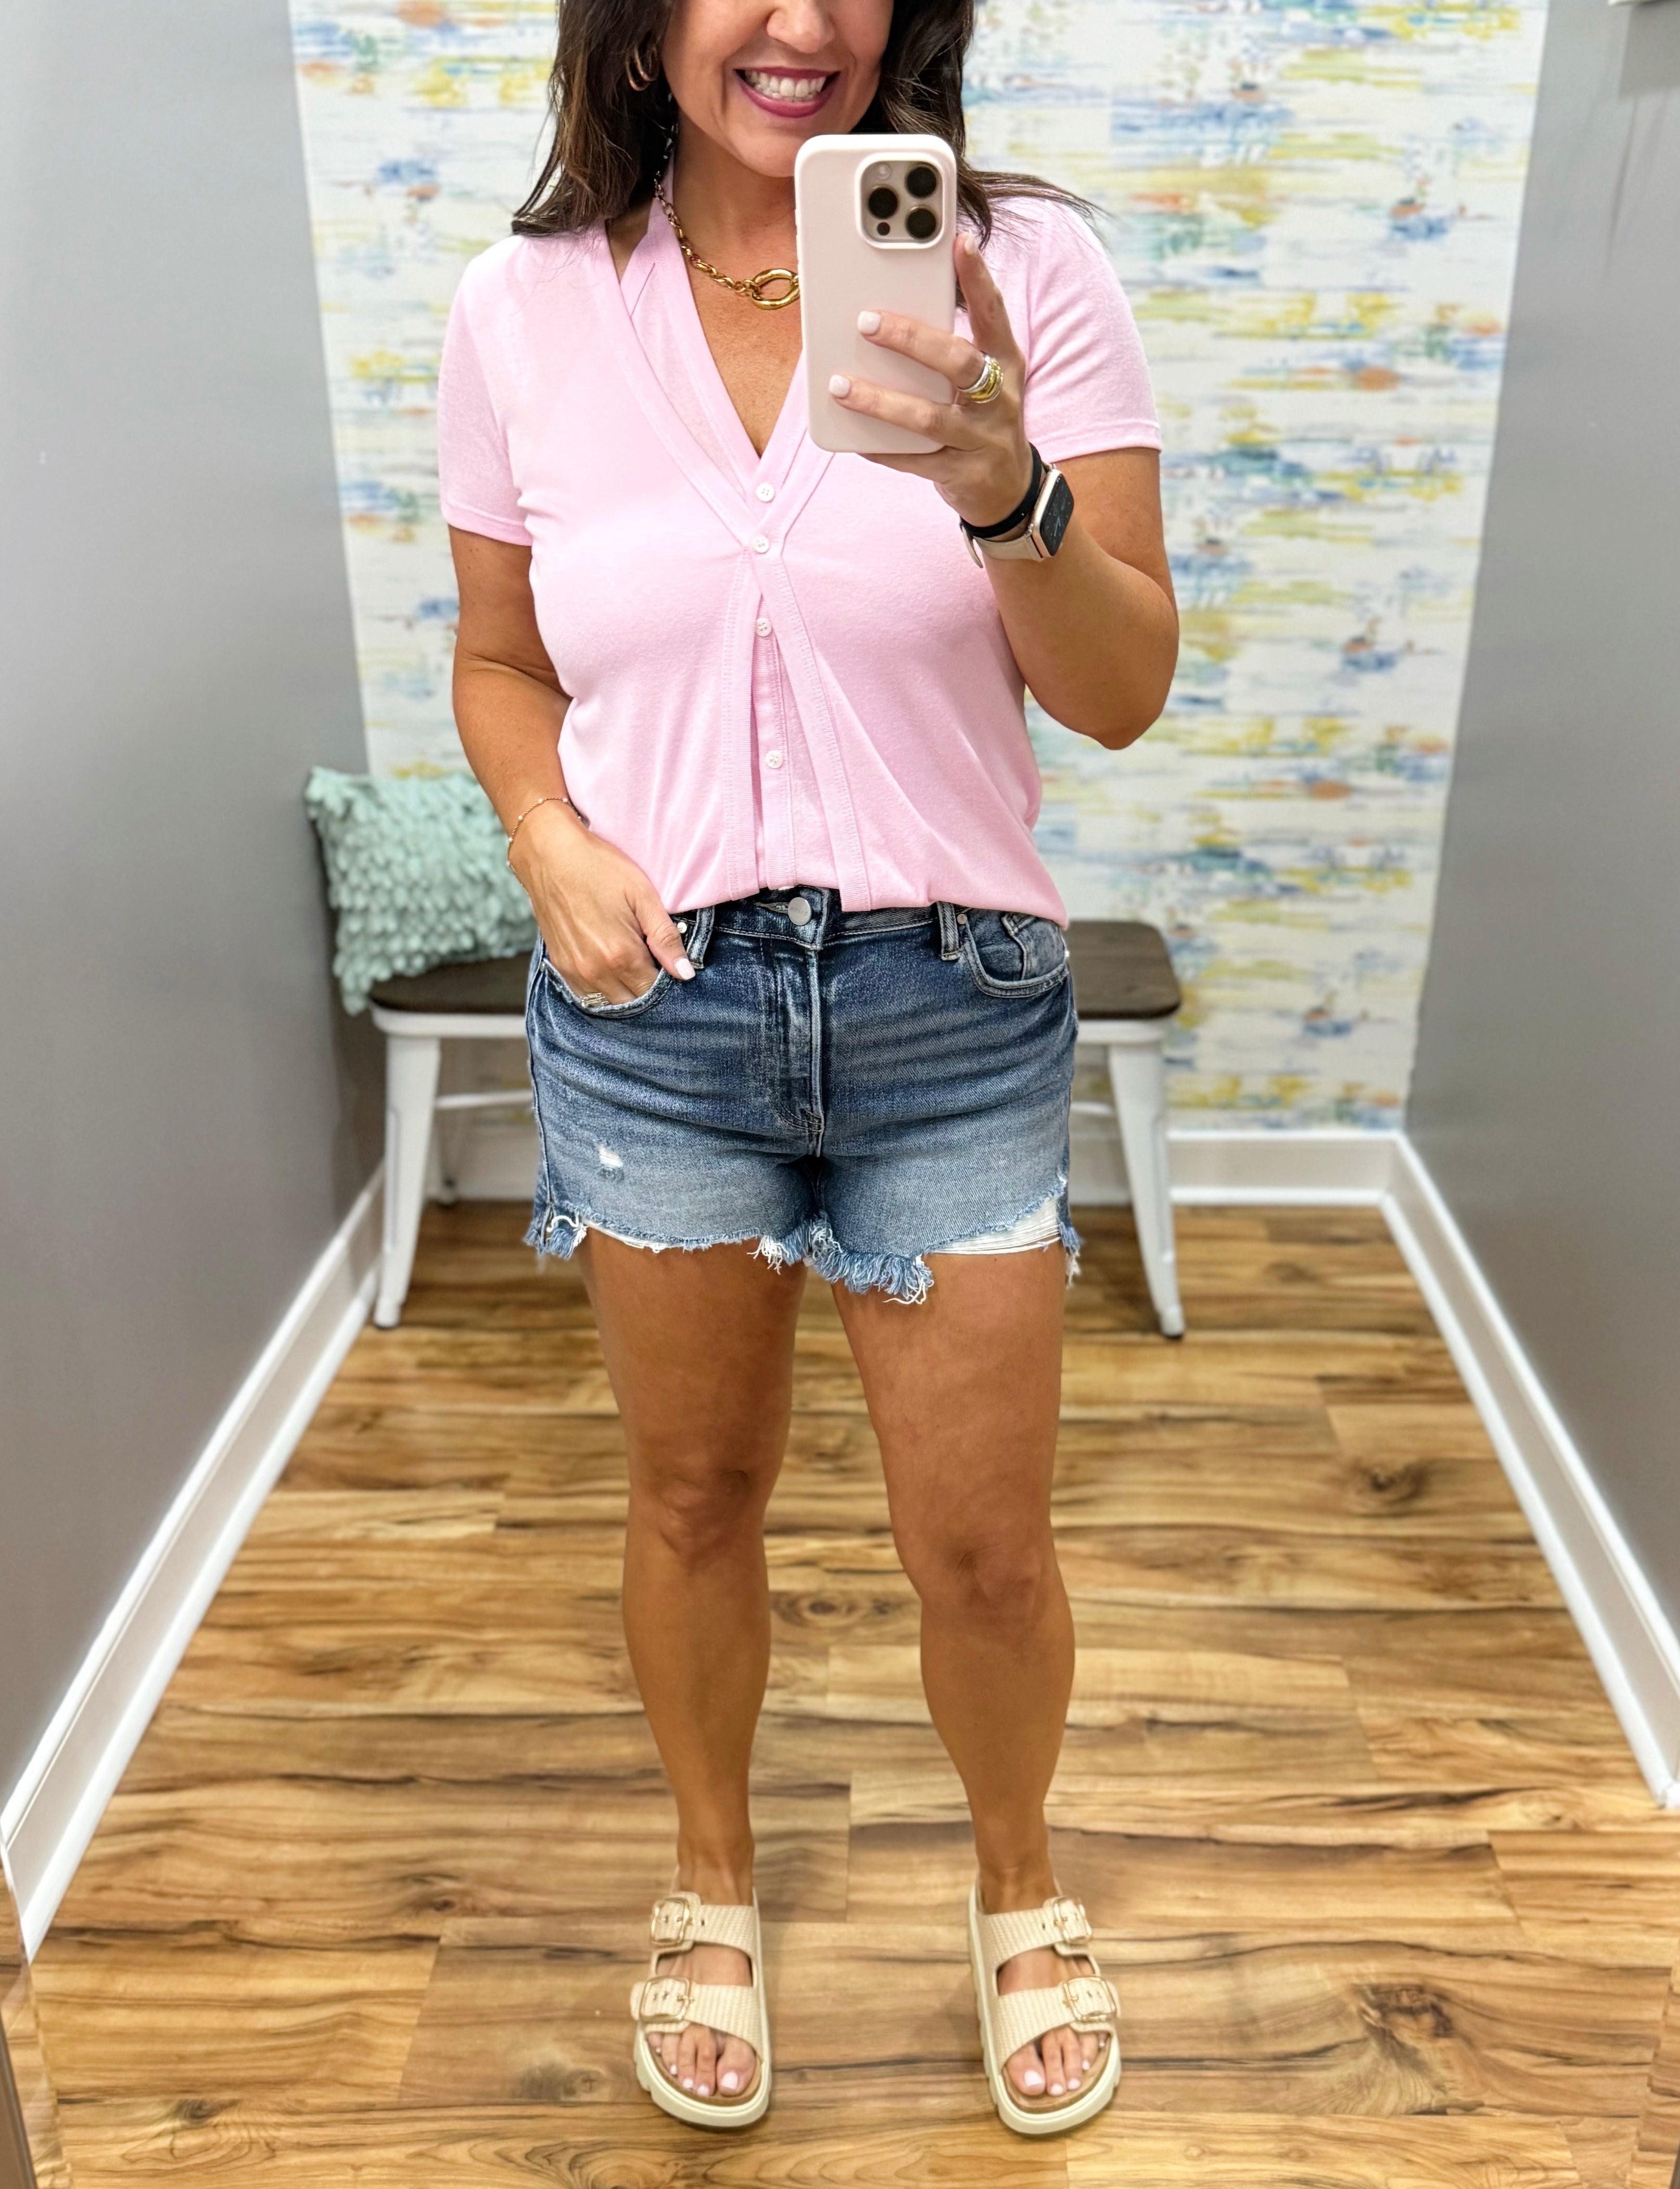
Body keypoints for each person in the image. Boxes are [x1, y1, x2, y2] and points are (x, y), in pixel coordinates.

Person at [437, 0, 1177, 2139]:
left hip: (947, 1004)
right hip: (656, 1014)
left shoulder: (1019, 271)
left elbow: (1117, 688)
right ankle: (708, 1875)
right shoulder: (523, 308)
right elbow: (501, 659)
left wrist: (1004, 487)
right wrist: (546, 835)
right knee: (689, 1493)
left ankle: (1018, 1885)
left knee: (985, 1548)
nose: (797, 21)